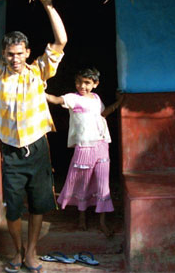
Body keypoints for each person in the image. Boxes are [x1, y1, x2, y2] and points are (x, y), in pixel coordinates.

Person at [0, 0, 67, 273]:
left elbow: (61, 42)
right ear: (4, 53)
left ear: (28, 53)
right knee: (12, 210)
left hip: (37, 148)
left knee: (38, 205)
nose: (15, 58)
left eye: (20, 53)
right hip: (10, 150)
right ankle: (18, 251)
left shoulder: (38, 73)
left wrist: (48, 4)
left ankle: (32, 252)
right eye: (10, 53)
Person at [46, 67, 123, 238]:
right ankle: (82, 218)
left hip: (102, 145)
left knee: (103, 184)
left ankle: (102, 221)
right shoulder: (73, 98)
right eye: (79, 82)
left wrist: (119, 103)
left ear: (95, 84)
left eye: (87, 83)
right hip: (84, 147)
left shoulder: (96, 98)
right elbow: (56, 100)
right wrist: (40, 93)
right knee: (83, 183)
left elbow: (103, 114)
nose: (82, 86)